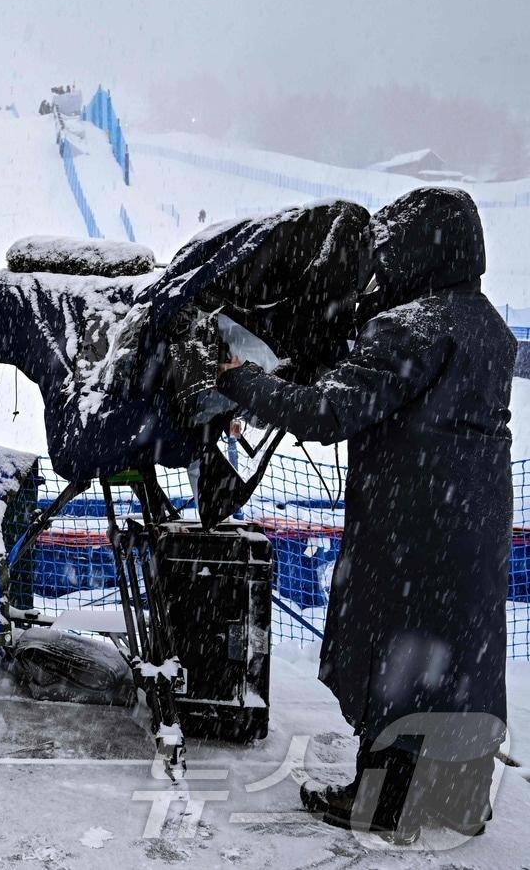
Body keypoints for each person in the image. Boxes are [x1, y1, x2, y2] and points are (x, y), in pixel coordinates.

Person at [217, 187, 512, 841]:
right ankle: (462, 797)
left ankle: (381, 801)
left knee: (396, 652)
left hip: (410, 525)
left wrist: (241, 378)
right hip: (475, 523)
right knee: (463, 653)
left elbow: (329, 412)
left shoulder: (412, 326)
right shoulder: (488, 326)